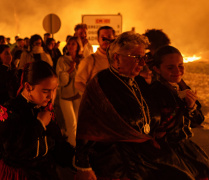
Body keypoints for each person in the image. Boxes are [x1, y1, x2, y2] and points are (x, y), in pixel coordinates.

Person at [75, 31, 192, 180]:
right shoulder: (101, 83)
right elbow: (87, 126)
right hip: (114, 160)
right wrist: (83, 165)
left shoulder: (139, 82)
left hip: (145, 154)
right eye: (137, 58)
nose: (143, 63)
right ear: (117, 58)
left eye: (144, 57)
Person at [0, 61, 73, 180]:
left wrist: (78, 162)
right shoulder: (10, 109)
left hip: (44, 171)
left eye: (54, 90)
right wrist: (39, 124)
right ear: (28, 87)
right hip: (18, 175)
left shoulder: (45, 107)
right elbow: (14, 151)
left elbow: (56, 143)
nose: (51, 96)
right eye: (46, 91)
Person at [150, 46, 209, 178]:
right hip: (165, 150)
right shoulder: (155, 92)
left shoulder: (182, 86)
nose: (177, 71)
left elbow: (198, 120)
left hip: (185, 147)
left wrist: (191, 107)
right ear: (157, 69)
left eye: (180, 65)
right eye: (170, 67)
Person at [55, 36, 83, 147]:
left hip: (78, 94)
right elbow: (61, 81)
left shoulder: (82, 60)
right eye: (69, 43)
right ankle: (72, 147)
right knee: (71, 123)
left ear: (78, 46)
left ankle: (79, 147)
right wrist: (70, 70)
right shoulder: (62, 60)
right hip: (65, 96)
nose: (70, 46)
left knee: (79, 123)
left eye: (73, 44)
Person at [74, 26, 115, 95]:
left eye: (109, 36)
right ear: (98, 39)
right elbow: (78, 83)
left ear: (114, 38)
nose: (105, 39)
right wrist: (95, 95)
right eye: (102, 37)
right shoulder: (89, 61)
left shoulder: (119, 60)